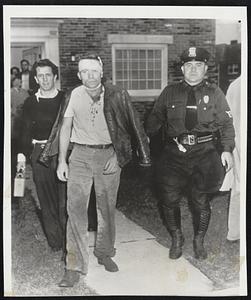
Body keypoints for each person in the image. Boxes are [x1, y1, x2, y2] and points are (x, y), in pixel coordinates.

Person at [38, 54, 151, 287]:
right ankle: (73, 265)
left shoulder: (118, 94)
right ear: (78, 75)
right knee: (75, 211)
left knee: (106, 209)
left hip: (108, 155)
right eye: (84, 72)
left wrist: (119, 158)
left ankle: (105, 252)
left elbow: (132, 128)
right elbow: (65, 127)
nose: (89, 76)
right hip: (79, 156)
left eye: (94, 71)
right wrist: (62, 161)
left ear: (101, 72)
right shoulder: (73, 95)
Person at [146, 47, 235, 260]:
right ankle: (177, 238)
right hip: (174, 153)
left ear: (205, 68)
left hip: (205, 153)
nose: (193, 70)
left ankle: (199, 240)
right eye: (189, 65)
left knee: (201, 200)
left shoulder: (215, 93)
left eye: (198, 65)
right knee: (168, 199)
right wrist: (145, 138)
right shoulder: (170, 92)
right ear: (182, 69)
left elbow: (227, 125)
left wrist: (227, 150)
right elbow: (154, 120)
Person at [18, 59, 67, 254]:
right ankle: (55, 242)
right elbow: (24, 132)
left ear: (55, 77)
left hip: (62, 152)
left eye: (48, 75)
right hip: (39, 154)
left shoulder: (65, 99)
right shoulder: (31, 102)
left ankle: (69, 241)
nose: (45, 79)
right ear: (36, 79)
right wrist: (22, 159)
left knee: (64, 199)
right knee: (46, 200)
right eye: (41, 76)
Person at [220, 76, 241, 241]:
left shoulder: (235, 85)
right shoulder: (237, 86)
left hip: (237, 142)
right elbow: (226, 121)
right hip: (239, 142)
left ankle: (234, 232)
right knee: (239, 186)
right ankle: (234, 232)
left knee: (239, 187)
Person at [11, 74, 29, 205]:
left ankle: (19, 191)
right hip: (12, 133)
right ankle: (12, 194)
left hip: (23, 132)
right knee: (12, 162)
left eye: (19, 80)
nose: (18, 82)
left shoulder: (25, 93)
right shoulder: (9, 93)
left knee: (21, 162)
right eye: (16, 80)